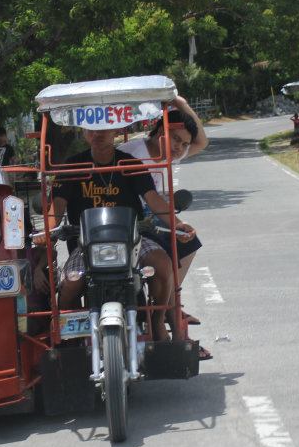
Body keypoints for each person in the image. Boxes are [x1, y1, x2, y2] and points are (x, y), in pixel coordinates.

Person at [34, 127, 195, 342]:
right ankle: (72, 338)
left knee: (163, 265)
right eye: (90, 131)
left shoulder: (129, 163)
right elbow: (58, 205)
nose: (97, 134)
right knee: (70, 284)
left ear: (115, 131)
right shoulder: (72, 166)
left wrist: (179, 225)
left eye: (102, 130)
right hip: (86, 244)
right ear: (84, 133)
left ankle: (156, 320)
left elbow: (153, 199)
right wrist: (47, 230)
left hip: (132, 239)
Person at [117, 98, 208, 329]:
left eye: (184, 144)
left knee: (189, 242)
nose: (179, 147)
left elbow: (202, 141)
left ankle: (169, 303)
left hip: (155, 218)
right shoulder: (130, 153)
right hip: (128, 220)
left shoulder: (169, 155)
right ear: (159, 132)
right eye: (175, 138)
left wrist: (183, 105)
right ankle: (167, 310)